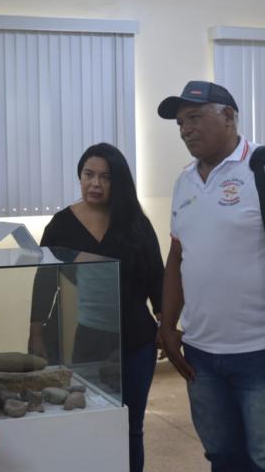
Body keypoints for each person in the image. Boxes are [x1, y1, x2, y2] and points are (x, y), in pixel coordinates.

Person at [157, 81, 265, 471]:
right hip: (201, 357)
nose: (185, 130)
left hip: (262, 352)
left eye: (194, 117)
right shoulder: (184, 182)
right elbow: (177, 258)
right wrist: (167, 325)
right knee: (223, 456)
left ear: (228, 116)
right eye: (180, 123)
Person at [28, 142, 163, 472]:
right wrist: (36, 333)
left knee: (130, 427)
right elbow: (44, 282)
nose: (96, 184)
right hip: (87, 338)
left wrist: (166, 327)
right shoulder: (61, 224)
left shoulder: (134, 223)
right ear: (80, 176)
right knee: (89, 420)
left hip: (136, 342)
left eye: (105, 177)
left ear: (118, 182)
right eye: (89, 175)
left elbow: (156, 278)